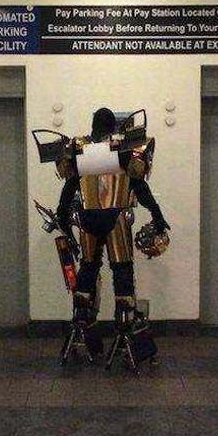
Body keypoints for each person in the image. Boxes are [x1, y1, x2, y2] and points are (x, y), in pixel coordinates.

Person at [54, 107, 169, 345]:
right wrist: (157, 214)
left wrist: (62, 216)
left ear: (93, 124)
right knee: (122, 270)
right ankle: (125, 329)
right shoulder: (124, 150)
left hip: (87, 218)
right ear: (113, 126)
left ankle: (82, 322)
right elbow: (140, 187)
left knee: (88, 269)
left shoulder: (79, 149)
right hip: (116, 217)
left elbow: (69, 186)